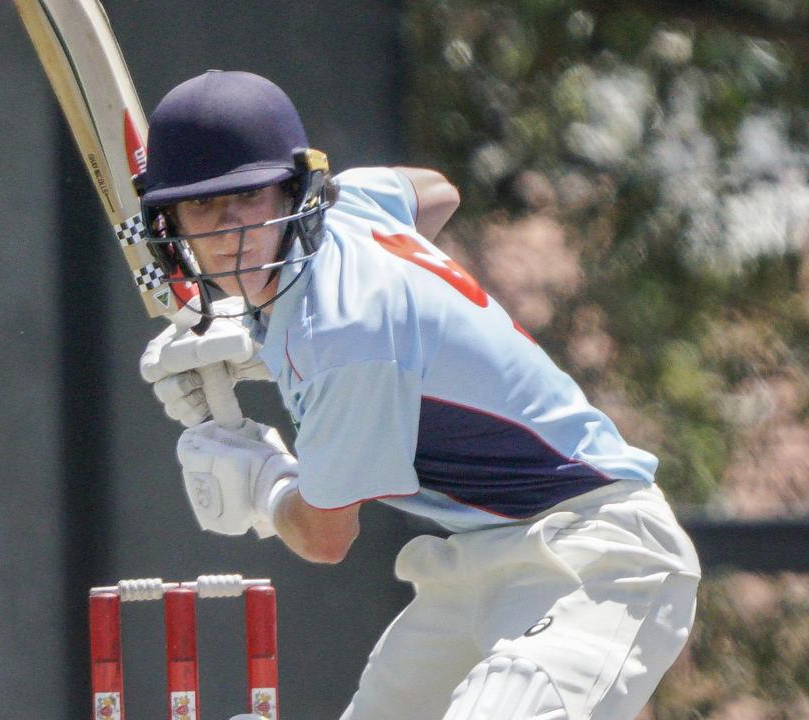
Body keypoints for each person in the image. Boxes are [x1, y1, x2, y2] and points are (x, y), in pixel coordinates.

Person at [136, 69, 701, 720]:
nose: (231, 227)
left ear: (295, 191)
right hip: (474, 563)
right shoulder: (353, 204)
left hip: (596, 561)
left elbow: (325, 535)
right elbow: (436, 190)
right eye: (205, 206)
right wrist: (267, 336)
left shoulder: (346, 331)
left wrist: (264, 484)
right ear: (169, 224)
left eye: (250, 196)